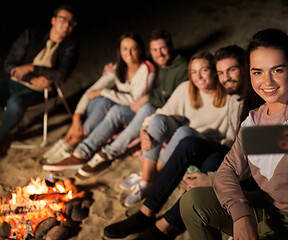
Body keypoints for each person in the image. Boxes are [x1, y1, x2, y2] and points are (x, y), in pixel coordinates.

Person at [179, 28, 288, 240]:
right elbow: (229, 169)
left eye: (277, 70)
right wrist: (241, 215)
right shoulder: (256, 120)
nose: (267, 82)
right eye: (258, 72)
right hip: (272, 211)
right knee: (193, 202)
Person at [103, 45, 250, 239]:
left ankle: (164, 226)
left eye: (231, 70)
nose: (225, 77)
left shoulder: (244, 99)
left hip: (229, 154)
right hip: (208, 147)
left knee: (211, 163)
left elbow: (248, 152)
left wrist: (213, 179)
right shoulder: (197, 89)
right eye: (222, 72)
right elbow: (162, 114)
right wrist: (144, 130)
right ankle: (145, 213)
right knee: (187, 140)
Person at [43, 29, 188, 175]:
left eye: (163, 48)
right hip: (134, 108)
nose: (159, 53)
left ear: (171, 47)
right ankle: (81, 151)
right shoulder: (149, 64)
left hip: (158, 114)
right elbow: (92, 91)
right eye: (155, 50)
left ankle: (106, 153)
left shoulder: (169, 68)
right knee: (107, 105)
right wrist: (76, 116)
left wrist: (147, 97)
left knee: (141, 107)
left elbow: (165, 100)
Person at [122, 50, 233, 207]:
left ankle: (152, 176)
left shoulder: (229, 98)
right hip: (183, 142)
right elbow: (162, 113)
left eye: (204, 70)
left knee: (184, 132)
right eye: (193, 72)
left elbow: (229, 140)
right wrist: (144, 129)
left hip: (206, 146)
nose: (198, 77)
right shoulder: (186, 88)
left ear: (215, 72)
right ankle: (146, 181)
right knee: (160, 120)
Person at [0, 4, 79, 151]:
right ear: (53, 20)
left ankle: (1, 137)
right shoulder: (31, 35)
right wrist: (31, 78)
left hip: (41, 90)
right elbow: (9, 64)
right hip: (17, 82)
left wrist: (32, 68)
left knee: (15, 102)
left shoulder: (70, 47)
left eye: (71, 22)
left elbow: (61, 75)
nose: (66, 24)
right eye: (63, 19)